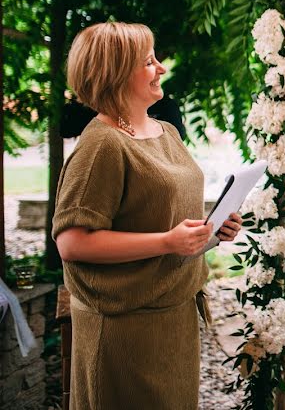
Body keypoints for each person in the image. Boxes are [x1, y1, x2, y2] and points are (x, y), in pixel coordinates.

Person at [52, 21, 243, 410]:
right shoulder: (102, 144)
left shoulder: (165, 132)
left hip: (173, 319)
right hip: (126, 330)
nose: (161, 68)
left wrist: (211, 229)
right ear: (116, 72)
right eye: (148, 61)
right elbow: (71, 243)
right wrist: (167, 242)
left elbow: (161, 216)